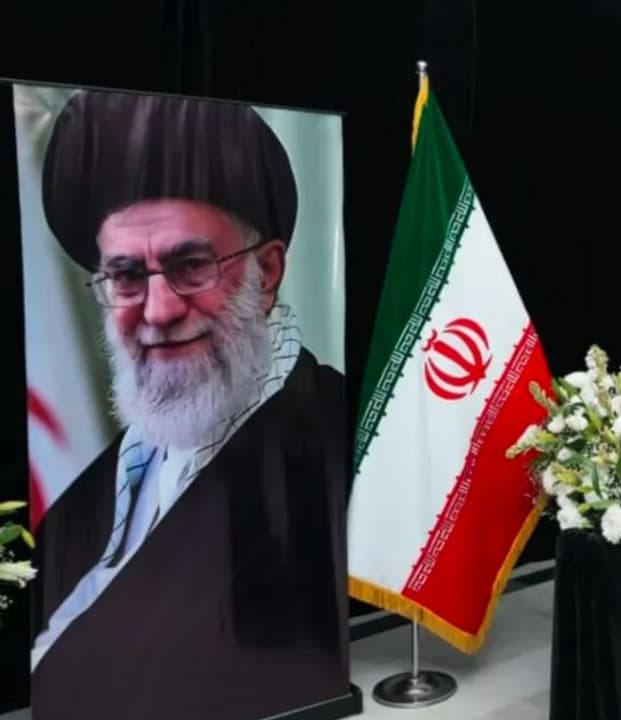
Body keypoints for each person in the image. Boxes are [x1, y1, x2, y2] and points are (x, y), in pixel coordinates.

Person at [29, 89, 350, 719]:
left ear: (267, 273)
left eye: (192, 264)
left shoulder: (343, 447)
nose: (158, 310)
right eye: (126, 276)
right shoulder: (85, 500)